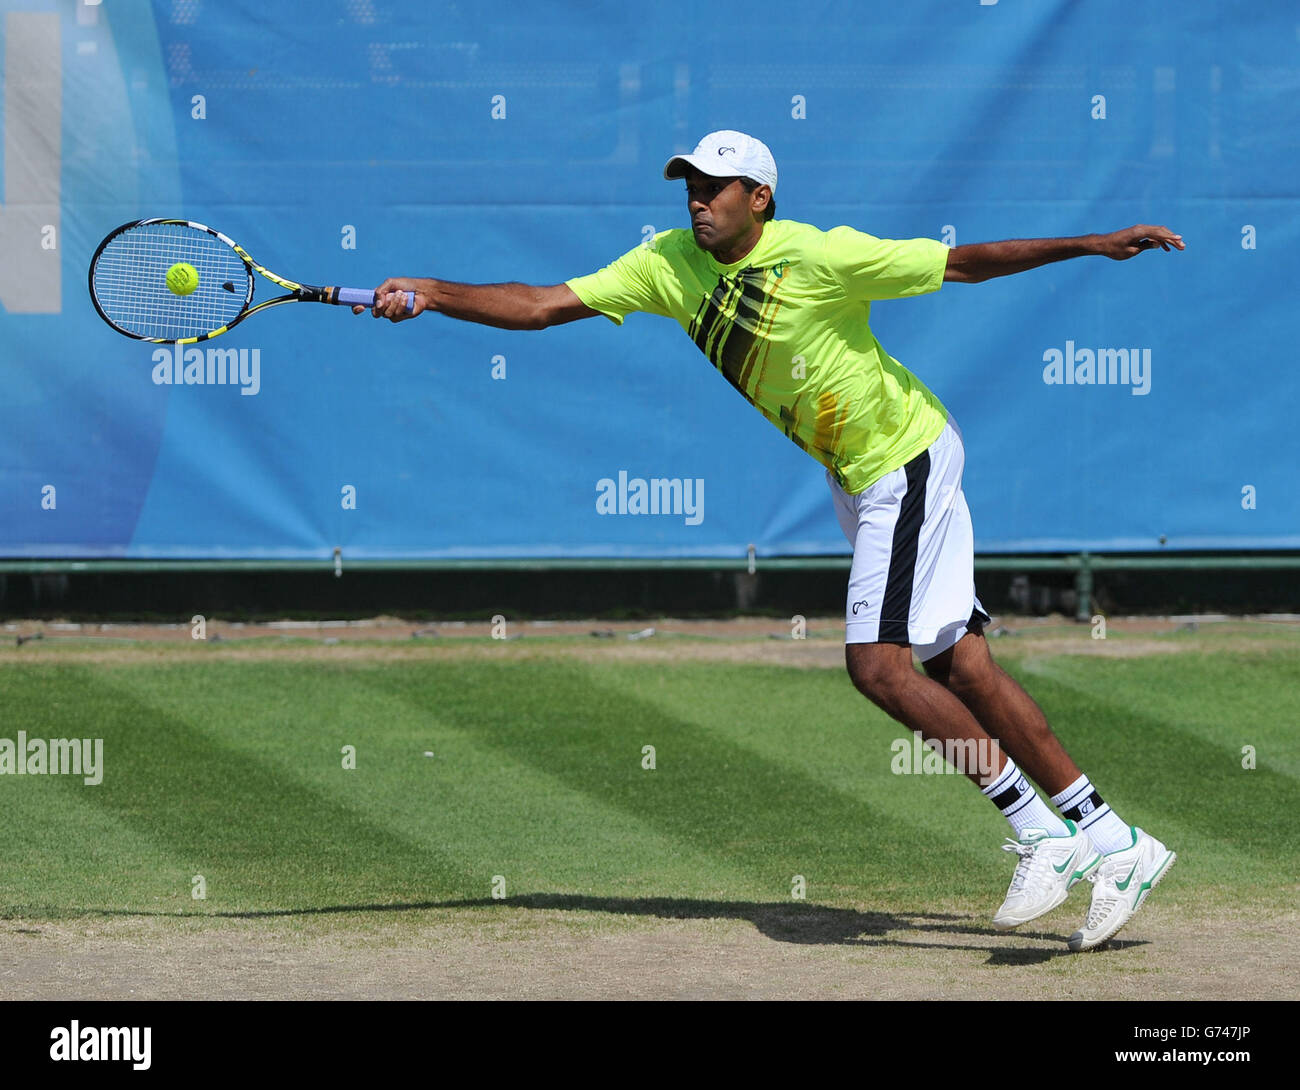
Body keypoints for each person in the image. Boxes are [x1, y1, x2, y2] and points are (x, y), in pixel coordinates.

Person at [356, 130, 1183, 951]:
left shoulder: (821, 257)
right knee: (960, 664)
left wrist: (1091, 245)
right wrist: (432, 291)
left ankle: (1042, 833)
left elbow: (964, 262)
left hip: (906, 458)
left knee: (877, 667)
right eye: (689, 184)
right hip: (860, 474)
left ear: (759, 198)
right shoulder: (668, 264)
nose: (696, 200)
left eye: (715, 187)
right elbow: (539, 306)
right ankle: (1115, 841)